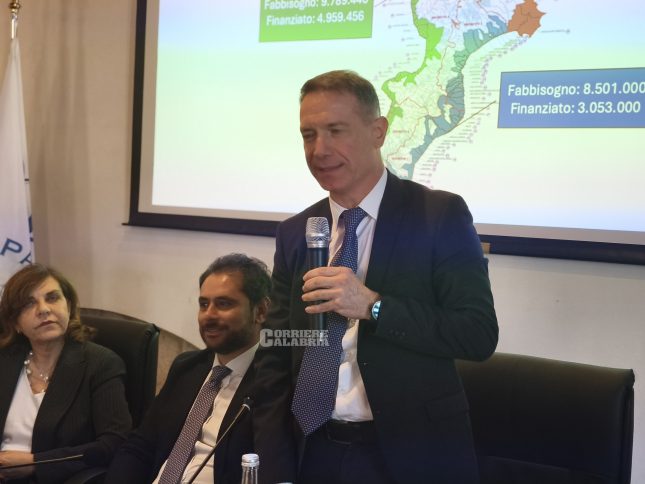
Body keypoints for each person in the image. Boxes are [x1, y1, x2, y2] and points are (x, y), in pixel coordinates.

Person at [256, 70, 499, 483]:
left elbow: (477, 334)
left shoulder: (437, 215)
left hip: (408, 455)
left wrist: (373, 306)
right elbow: (276, 355)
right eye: (308, 135)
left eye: (335, 131)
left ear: (378, 132)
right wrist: (275, 464)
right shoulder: (297, 232)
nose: (319, 150)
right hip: (313, 451)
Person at [106, 253, 296, 484]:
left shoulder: (274, 381)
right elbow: (140, 446)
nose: (209, 315)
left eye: (224, 304)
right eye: (204, 304)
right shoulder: (187, 367)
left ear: (261, 311)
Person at [0, 263, 132, 484]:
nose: (43, 309)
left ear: (68, 306)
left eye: (52, 298)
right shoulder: (5, 360)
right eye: (29, 303)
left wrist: (35, 463)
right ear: (15, 323)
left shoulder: (100, 364)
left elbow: (114, 442)